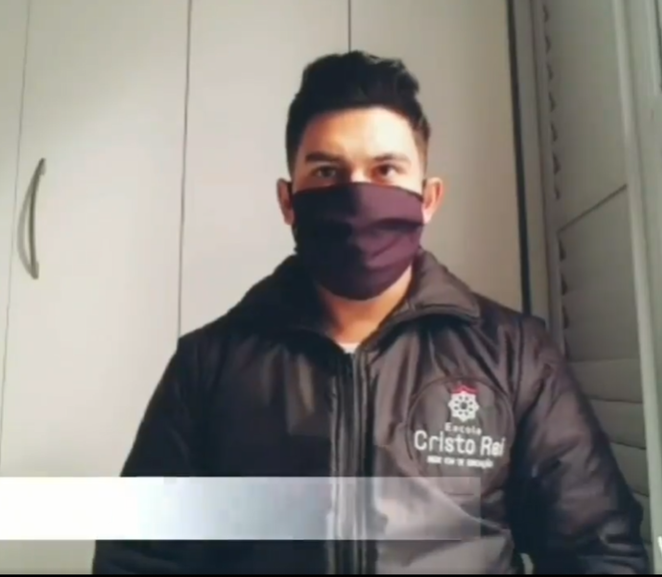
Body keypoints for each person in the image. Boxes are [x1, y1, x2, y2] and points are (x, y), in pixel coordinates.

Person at [92, 51, 649, 574]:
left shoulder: (516, 355)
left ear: (428, 198)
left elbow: (598, 550)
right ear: (288, 201)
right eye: (327, 172)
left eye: (385, 171)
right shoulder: (208, 366)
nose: (357, 196)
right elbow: (140, 558)